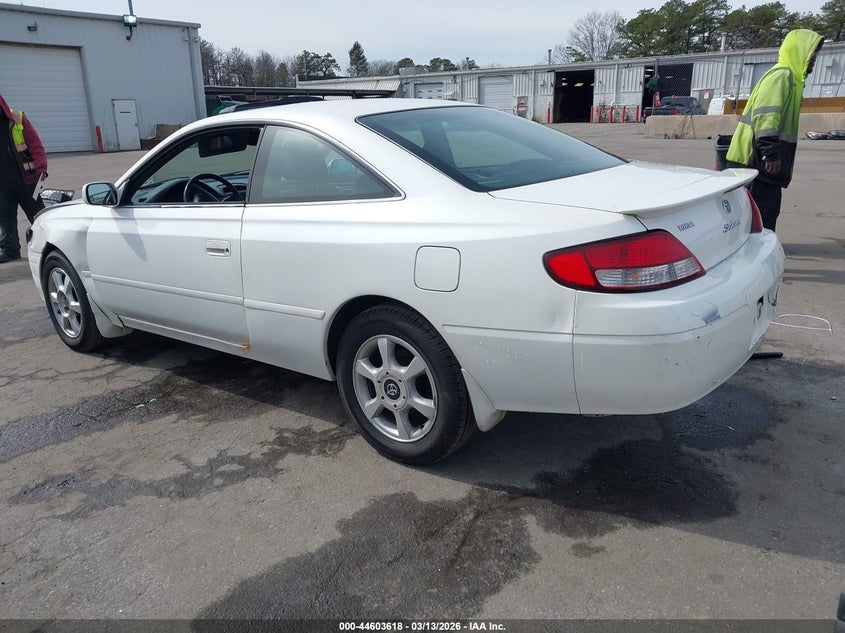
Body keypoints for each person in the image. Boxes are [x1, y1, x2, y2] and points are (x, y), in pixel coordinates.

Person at [726, 29, 824, 232]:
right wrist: (769, 154)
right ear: (799, 52)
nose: (814, 60)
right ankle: (759, 249)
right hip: (756, 162)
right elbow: (766, 117)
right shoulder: (782, 77)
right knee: (760, 218)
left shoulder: (792, 80)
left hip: (760, 163)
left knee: (762, 214)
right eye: (812, 54)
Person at [0, 94, 48, 263]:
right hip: (2, 185)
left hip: (27, 180)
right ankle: (10, 250)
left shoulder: (17, 119)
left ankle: (48, 244)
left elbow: (35, 145)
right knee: (5, 218)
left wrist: (41, 168)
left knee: (38, 215)